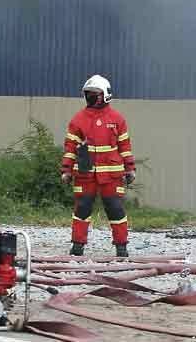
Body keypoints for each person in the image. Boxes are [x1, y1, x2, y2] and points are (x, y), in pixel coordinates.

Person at [61, 75, 135, 257]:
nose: (91, 97)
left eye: (95, 94)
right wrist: (66, 170)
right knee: (82, 209)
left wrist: (130, 168)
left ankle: (121, 248)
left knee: (116, 209)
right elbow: (70, 148)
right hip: (85, 175)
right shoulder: (78, 119)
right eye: (89, 94)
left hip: (111, 175)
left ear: (105, 95)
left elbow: (125, 146)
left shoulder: (117, 119)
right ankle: (77, 247)